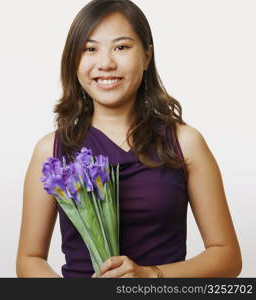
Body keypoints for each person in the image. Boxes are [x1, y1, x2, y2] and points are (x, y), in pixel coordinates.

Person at [16, 0, 242, 278]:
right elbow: (29, 258)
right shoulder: (50, 150)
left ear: (147, 56)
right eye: (89, 49)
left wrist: (149, 276)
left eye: (121, 47)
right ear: (74, 60)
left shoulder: (185, 142)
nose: (106, 63)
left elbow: (227, 257)